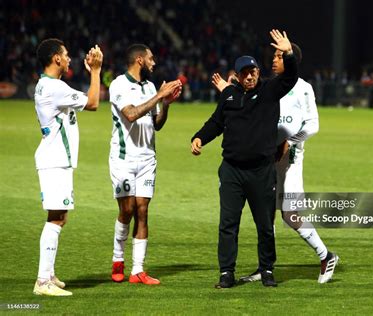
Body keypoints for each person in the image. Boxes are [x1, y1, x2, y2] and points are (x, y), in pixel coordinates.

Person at [213, 43, 339, 284]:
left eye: (279, 56)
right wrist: (231, 88)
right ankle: (265, 267)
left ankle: (326, 255)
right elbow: (245, 103)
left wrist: (290, 142)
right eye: (273, 56)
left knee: (290, 214)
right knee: (265, 216)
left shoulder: (303, 88)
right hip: (265, 160)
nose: (273, 60)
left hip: (289, 160)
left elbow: (313, 125)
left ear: (290, 60)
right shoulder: (270, 85)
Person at [191, 29, 298, 288]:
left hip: (261, 171)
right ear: (238, 76)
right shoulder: (228, 95)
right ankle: (226, 273)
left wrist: (289, 53)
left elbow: (291, 77)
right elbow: (216, 123)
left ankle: (267, 269)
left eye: (253, 71)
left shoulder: (271, 90)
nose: (250, 75)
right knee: (228, 224)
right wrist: (199, 138)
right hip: (232, 172)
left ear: (259, 73)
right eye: (245, 73)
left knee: (264, 225)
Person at [33, 38, 103, 296]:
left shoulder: (45, 85)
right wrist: (96, 71)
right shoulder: (54, 88)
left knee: (58, 217)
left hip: (54, 159)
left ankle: (48, 274)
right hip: (55, 160)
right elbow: (93, 102)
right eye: (66, 54)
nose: (70, 58)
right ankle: (43, 281)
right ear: (56, 59)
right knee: (56, 218)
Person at [109, 44, 182, 285]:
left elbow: (156, 123)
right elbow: (130, 114)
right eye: (151, 58)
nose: (154, 62)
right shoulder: (119, 84)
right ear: (139, 60)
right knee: (126, 210)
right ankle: (118, 260)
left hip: (147, 159)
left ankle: (137, 270)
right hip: (124, 159)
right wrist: (158, 96)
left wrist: (166, 104)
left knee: (143, 210)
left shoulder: (150, 86)